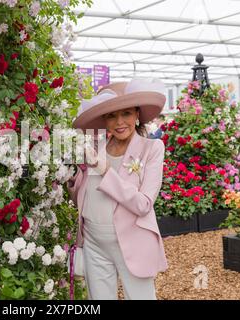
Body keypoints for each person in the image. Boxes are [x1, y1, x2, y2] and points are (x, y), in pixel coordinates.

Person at [67, 78, 168, 300]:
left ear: (137, 115)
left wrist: (105, 171)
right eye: (112, 115)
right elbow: (84, 197)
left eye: (126, 114)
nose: (119, 122)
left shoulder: (152, 148)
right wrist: (73, 177)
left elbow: (143, 205)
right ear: (104, 119)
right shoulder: (98, 148)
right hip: (94, 243)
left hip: (131, 242)